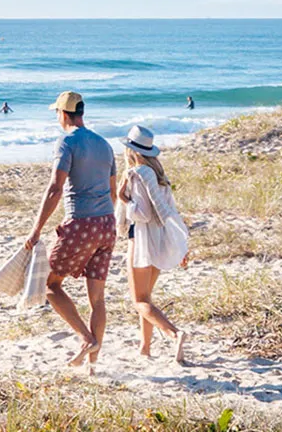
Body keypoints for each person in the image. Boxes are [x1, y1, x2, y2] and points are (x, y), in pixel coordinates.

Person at [23, 90, 116, 369]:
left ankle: (86, 339)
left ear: (63, 114)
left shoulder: (66, 141)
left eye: (57, 113)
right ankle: (93, 365)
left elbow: (55, 188)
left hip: (82, 223)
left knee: (49, 285)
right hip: (107, 224)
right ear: (81, 112)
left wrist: (36, 228)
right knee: (97, 298)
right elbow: (112, 192)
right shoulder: (105, 144)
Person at [119, 125, 190, 363]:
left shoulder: (137, 174)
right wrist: (180, 244)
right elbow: (168, 210)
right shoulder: (160, 176)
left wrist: (123, 200)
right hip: (160, 238)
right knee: (146, 298)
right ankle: (145, 348)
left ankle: (174, 333)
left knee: (138, 301)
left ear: (131, 150)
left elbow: (142, 214)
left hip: (141, 240)